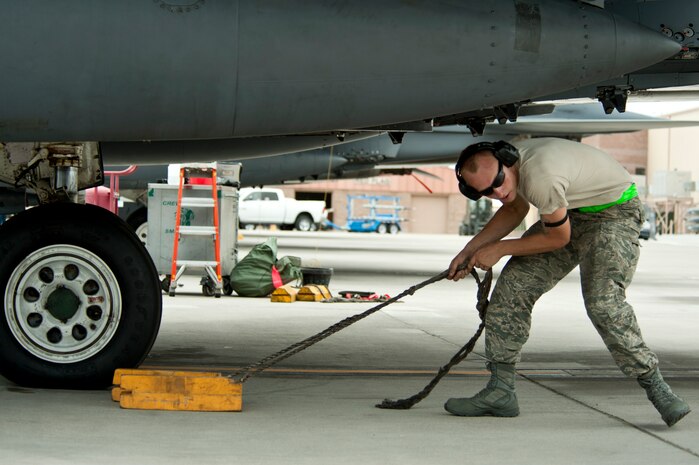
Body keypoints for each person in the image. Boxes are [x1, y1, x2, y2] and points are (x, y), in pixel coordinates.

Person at [445, 137, 691, 427]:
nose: (497, 191)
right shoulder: (515, 172)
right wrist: (468, 252)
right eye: (486, 191)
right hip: (571, 213)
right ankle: (500, 392)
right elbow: (514, 210)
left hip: (614, 215)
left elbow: (557, 237)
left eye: (498, 181)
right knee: (513, 287)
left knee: (603, 304)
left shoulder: (541, 176)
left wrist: (499, 249)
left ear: (507, 160)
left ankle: (658, 389)